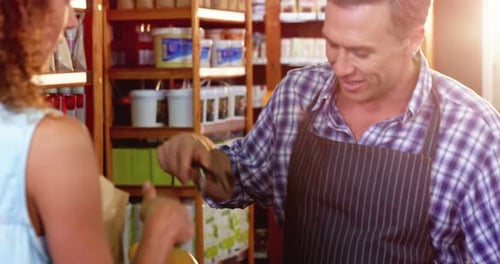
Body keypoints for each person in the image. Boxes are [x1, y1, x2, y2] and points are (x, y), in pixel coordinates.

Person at [158, 0, 500, 263]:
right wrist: (201, 155)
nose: (340, 66)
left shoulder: (471, 133)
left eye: (361, 52)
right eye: (332, 44)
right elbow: (240, 180)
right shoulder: (298, 93)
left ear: (412, 40)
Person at [0, 0, 193, 263]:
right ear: (23, 8)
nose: (71, 20)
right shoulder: (52, 144)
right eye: (64, 2)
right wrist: (161, 230)